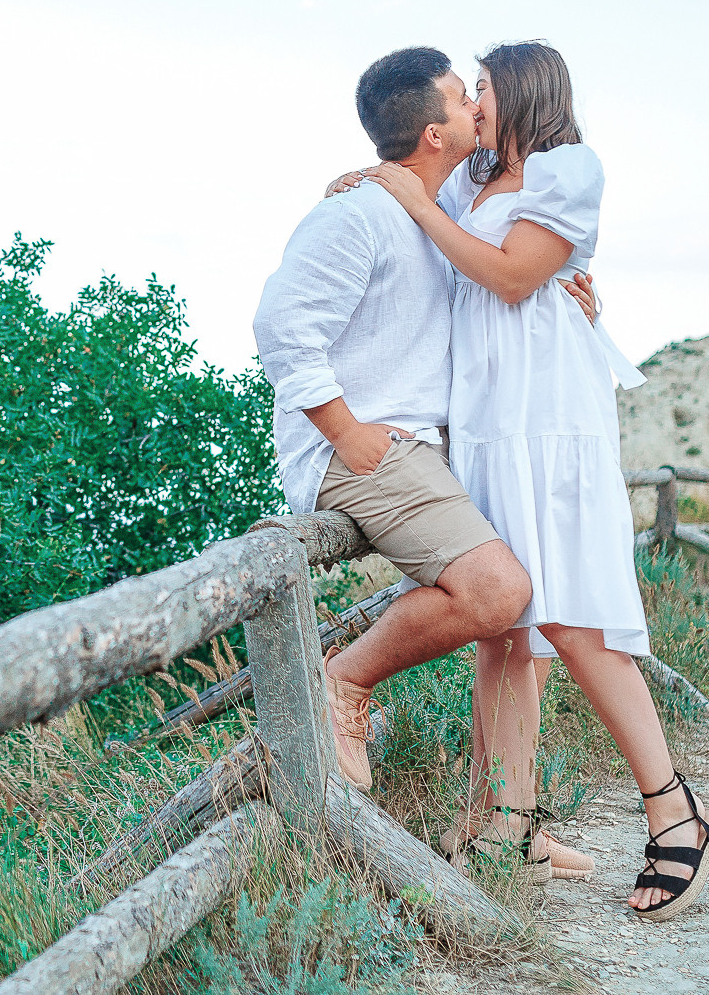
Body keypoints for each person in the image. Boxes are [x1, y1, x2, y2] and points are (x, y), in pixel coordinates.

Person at [340, 40, 709, 921]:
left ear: (520, 89)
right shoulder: (470, 180)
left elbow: (515, 278)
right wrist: (369, 181)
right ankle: (505, 822)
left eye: (481, 87)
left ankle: (677, 810)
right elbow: (416, 176)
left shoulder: (567, 169)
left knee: (573, 620)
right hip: (488, 427)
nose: (472, 103)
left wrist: (417, 205)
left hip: (549, 422)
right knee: (506, 628)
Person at [251, 47, 591, 887]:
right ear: (434, 131)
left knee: (517, 627)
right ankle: (343, 682)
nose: (479, 104)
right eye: (463, 95)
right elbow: (281, 327)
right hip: (368, 451)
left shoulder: (440, 211)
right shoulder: (359, 215)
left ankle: (501, 827)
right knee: (499, 591)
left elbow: (508, 266)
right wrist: (346, 432)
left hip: (428, 451)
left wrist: (573, 290)